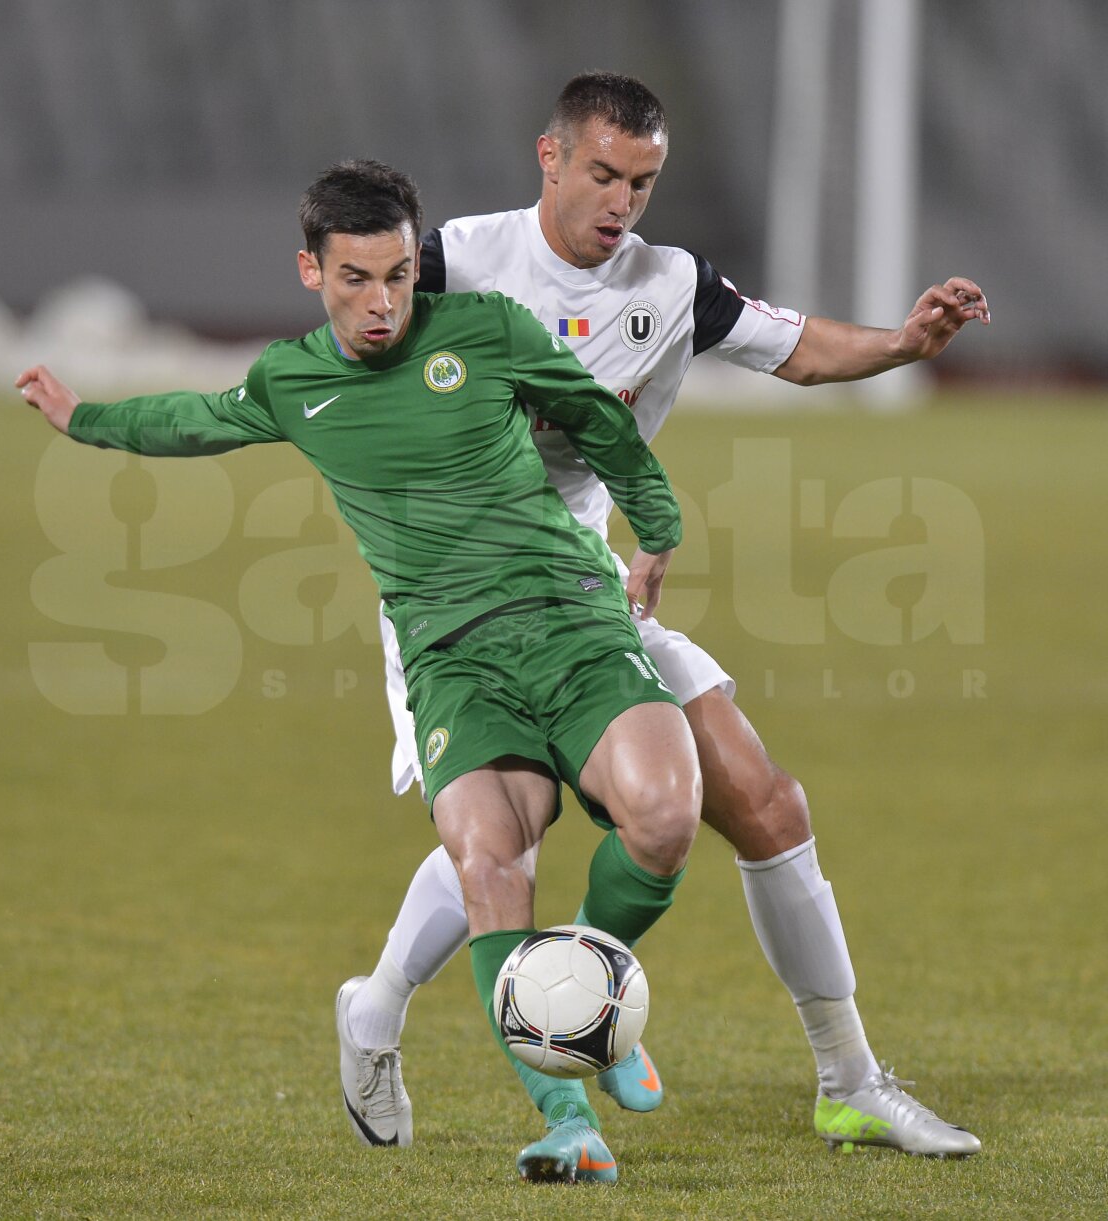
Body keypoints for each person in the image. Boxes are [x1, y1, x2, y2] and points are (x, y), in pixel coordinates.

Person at [339, 73, 989, 1158]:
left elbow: (797, 348)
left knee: (766, 803)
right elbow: (354, 375)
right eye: (604, 174)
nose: (623, 202)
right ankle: (380, 1009)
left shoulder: (672, 284)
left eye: (643, 181)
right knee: (507, 835)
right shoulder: (454, 262)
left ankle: (849, 1081)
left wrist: (905, 344)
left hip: (585, 595)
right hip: (456, 607)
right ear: (550, 156)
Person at [17, 158, 704, 1185]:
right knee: (489, 862)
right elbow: (196, 420)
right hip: (452, 659)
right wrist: (85, 419)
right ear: (312, 271)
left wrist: (657, 528)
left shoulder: (489, 330)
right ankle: (566, 1120)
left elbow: (599, 418)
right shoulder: (293, 382)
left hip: (571, 619)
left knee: (665, 814)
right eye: (355, 280)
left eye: (398, 276)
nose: (382, 303)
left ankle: (586, 993)